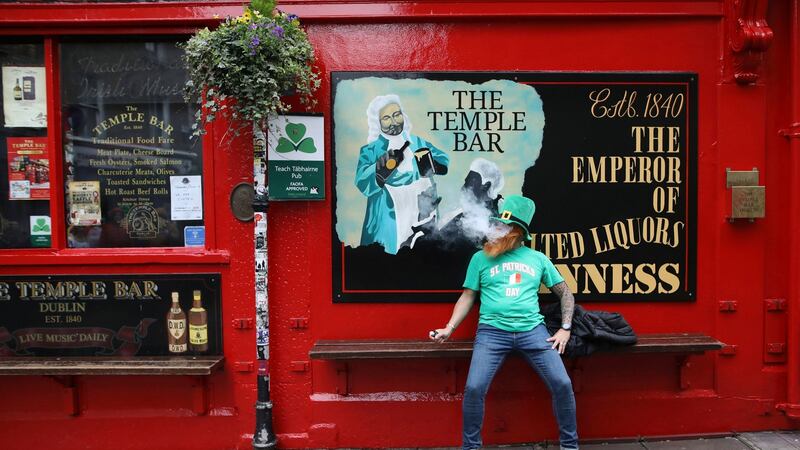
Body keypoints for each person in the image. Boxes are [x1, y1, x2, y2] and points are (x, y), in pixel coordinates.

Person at [429, 195, 578, 450]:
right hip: (491, 334)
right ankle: (471, 447)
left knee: (563, 384)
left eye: (500, 226)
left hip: (533, 332)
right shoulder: (480, 259)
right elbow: (468, 296)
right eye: (495, 224)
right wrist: (449, 328)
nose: (494, 229)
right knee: (474, 388)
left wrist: (565, 328)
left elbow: (565, 292)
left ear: (516, 233)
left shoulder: (537, 259)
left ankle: (570, 446)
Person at [355, 94, 449, 254]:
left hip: (421, 211)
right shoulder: (370, 150)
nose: (393, 122)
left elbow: (443, 160)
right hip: (391, 216)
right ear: (377, 122)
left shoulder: (418, 142)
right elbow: (362, 182)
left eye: (396, 115)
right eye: (386, 118)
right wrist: (379, 171)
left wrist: (431, 164)